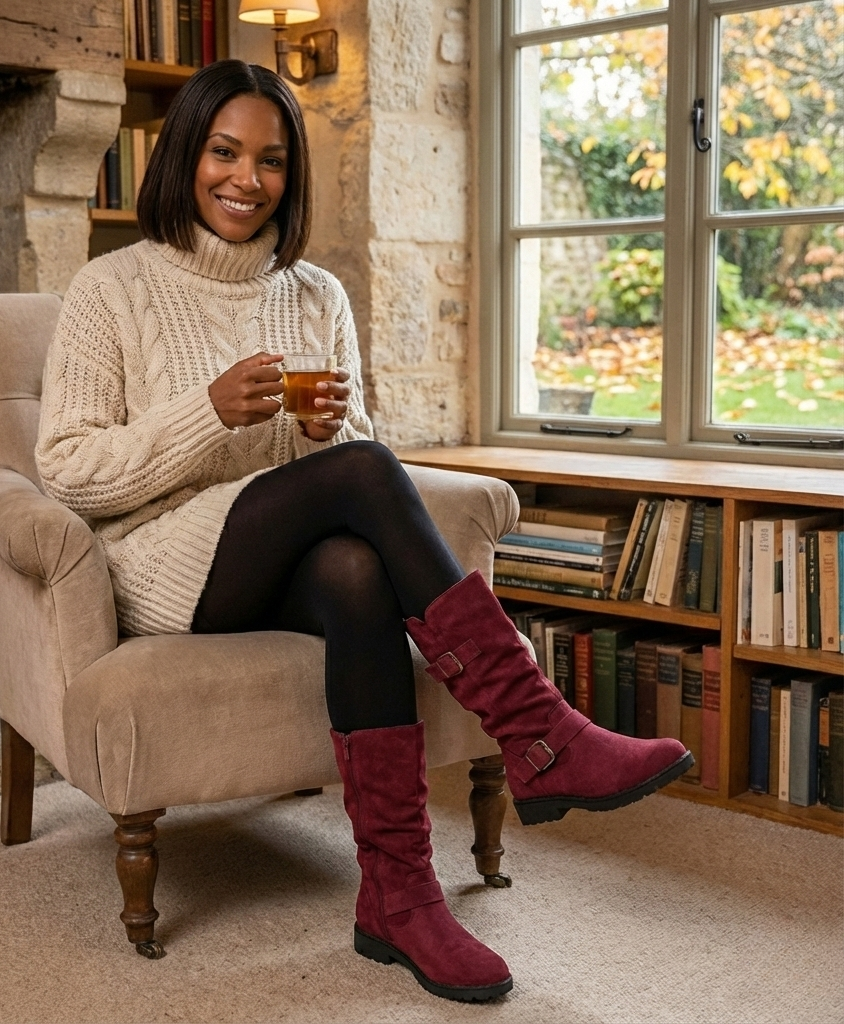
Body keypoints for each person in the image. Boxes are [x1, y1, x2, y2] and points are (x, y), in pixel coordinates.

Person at [36, 60, 692, 1004]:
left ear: (291, 176)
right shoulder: (112, 288)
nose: (245, 179)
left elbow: (352, 464)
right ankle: (538, 730)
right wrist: (205, 414)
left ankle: (398, 896)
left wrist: (320, 436)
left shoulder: (317, 296)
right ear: (185, 153)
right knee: (366, 477)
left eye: (270, 160)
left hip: (289, 552)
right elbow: (67, 468)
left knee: (355, 569)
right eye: (224, 152)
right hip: (169, 561)